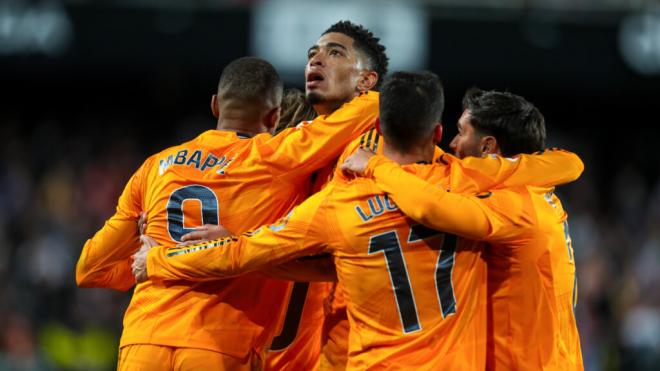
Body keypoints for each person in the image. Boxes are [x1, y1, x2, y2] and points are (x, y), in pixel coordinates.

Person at [133, 72, 584, 369]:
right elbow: (564, 166)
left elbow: (240, 254)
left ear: (379, 129)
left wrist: (160, 260)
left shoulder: (338, 203)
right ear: (438, 134)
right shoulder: (465, 181)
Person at [75, 54, 381, 370]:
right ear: (275, 117)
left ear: (215, 106)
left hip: (144, 339)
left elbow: (90, 269)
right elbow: (372, 107)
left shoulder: (154, 167)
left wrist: (147, 256)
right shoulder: (272, 158)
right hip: (220, 344)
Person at [342, 88, 584, 370]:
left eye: (461, 131)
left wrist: (375, 166)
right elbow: (571, 162)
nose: (453, 143)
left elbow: (430, 208)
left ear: (487, 147)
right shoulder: (537, 188)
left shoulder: (512, 205)